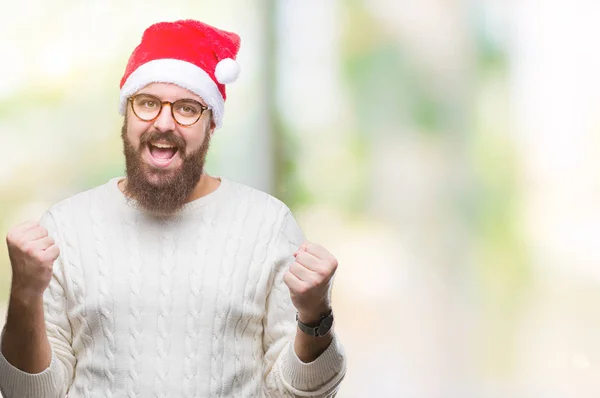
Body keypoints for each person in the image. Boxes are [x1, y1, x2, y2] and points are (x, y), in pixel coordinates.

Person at [0, 19, 346, 398]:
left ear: (211, 123)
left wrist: (315, 316)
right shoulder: (66, 227)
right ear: (126, 114)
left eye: (186, 108)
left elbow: (302, 393)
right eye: (147, 103)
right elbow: (28, 394)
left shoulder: (267, 224)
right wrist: (25, 294)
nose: (163, 123)